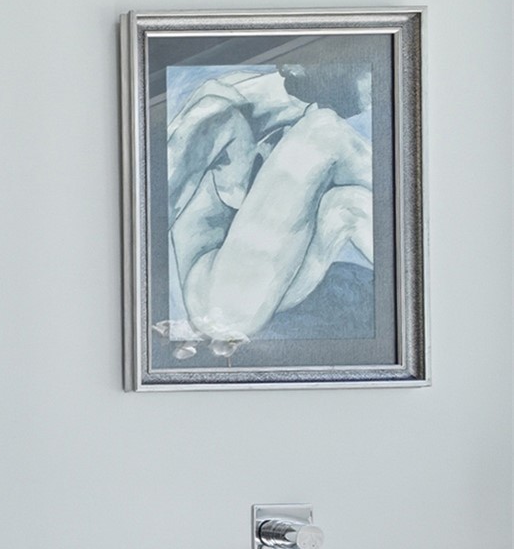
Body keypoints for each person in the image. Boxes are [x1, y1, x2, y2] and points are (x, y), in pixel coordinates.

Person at [160, 62, 374, 356]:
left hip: (264, 291)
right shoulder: (218, 114)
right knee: (324, 130)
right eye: (367, 95)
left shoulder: (276, 127)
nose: (371, 106)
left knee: (350, 206)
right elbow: (158, 203)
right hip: (219, 299)